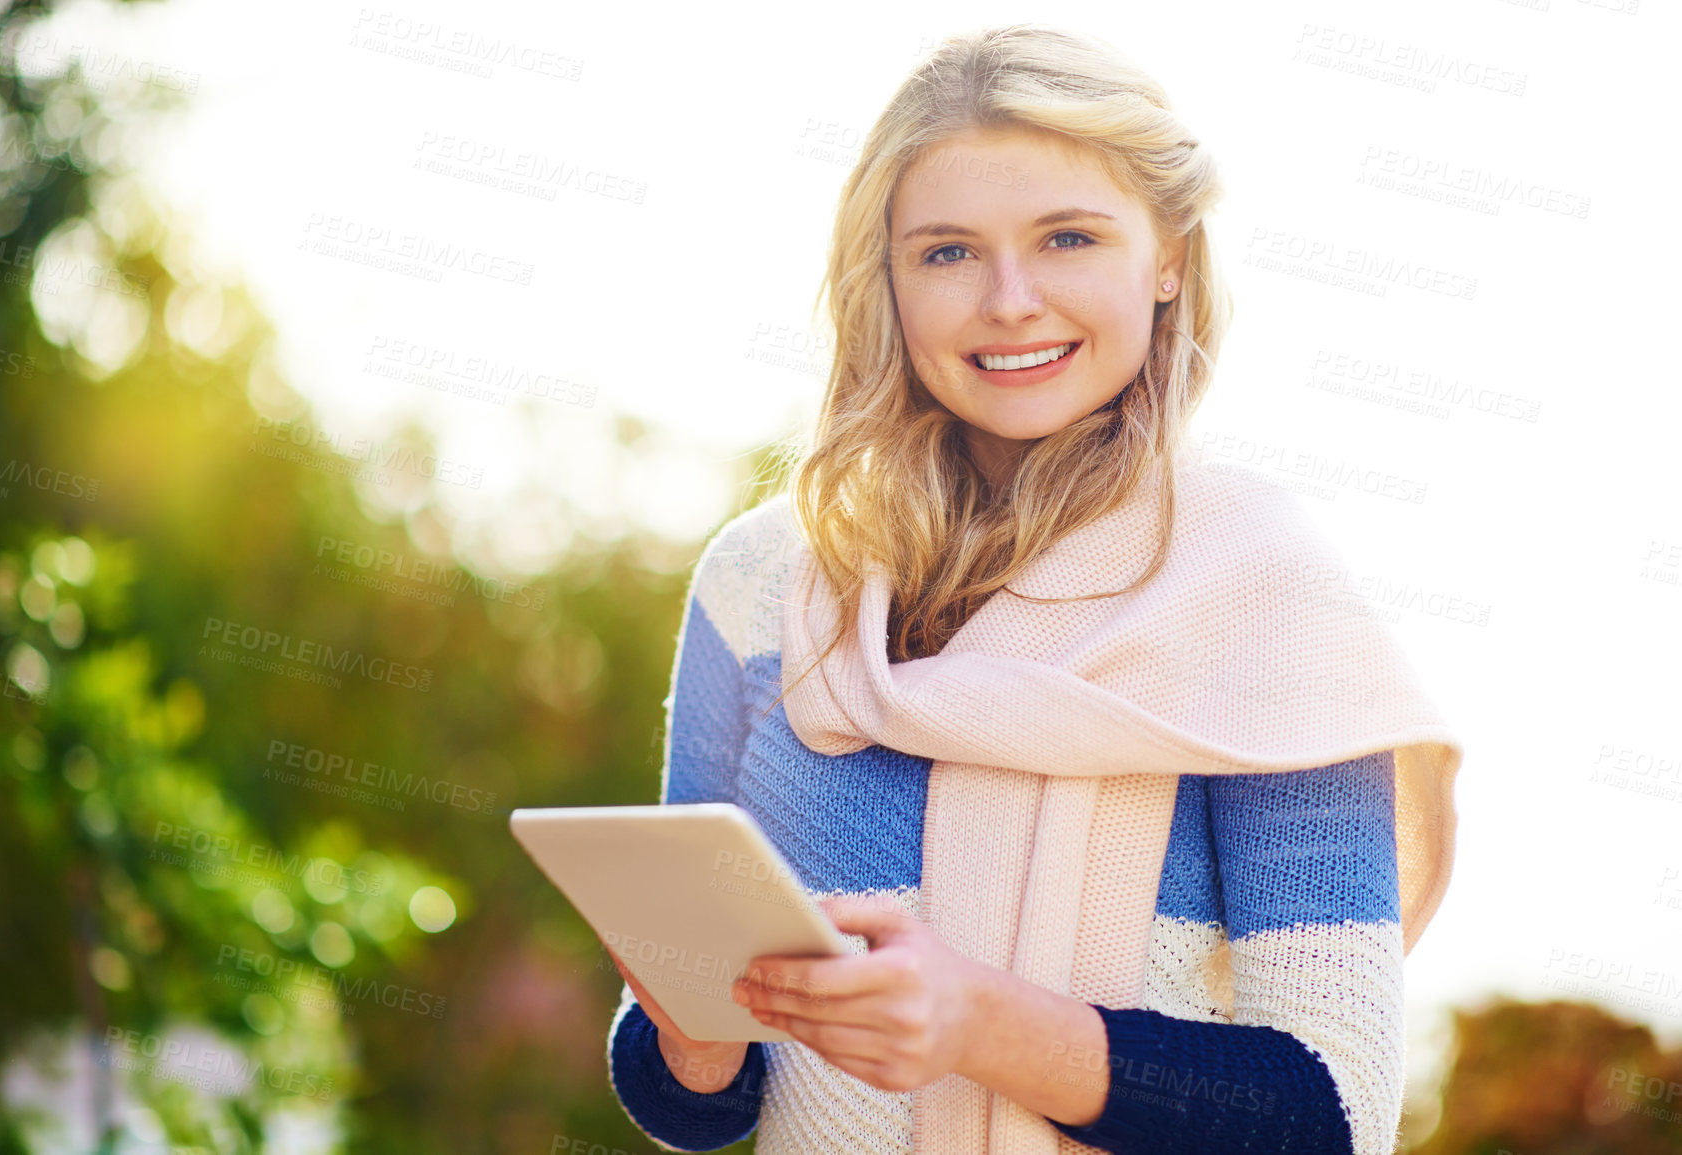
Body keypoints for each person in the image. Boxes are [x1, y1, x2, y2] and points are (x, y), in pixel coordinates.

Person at [600, 22, 1460, 1155]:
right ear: (888, 280)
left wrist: (979, 1021)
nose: (1010, 300)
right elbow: (694, 1098)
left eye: (1067, 237)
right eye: (947, 252)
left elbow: (1331, 1112)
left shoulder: (1264, 602)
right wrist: (692, 1032)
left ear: (1167, 259)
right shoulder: (762, 585)